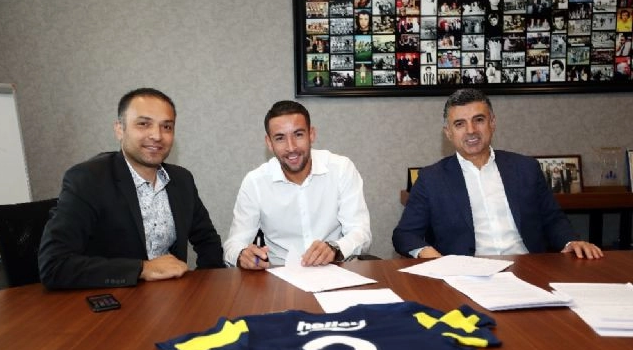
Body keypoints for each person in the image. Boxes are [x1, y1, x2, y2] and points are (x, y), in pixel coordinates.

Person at [39, 88, 224, 289]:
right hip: (116, 299)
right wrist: (142, 269)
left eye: (167, 127)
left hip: (171, 297)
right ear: (120, 129)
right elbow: (54, 265)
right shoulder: (88, 179)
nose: (157, 135)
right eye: (144, 124)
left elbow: (208, 242)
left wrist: (203, 288)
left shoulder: (182, 180)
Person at [392, 88, 603, 260]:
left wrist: (570, 241)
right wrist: (429, 254)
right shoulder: (431, 179)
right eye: (460, 124)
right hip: (466, 275)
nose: (471, 130)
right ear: (448, 133)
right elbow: (405, 234)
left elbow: (553, 219)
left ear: (492, 123)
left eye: (479, 120)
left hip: (528, 269)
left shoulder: (525, 168)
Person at [224, 100, 371, 269]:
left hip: (338, 270)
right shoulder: (255, 182)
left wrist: (335, 249)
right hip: (281, 276)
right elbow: (233, 245)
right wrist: (242, 255)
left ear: (311, 134)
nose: (291, 147)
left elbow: (361, 233)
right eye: (280, 138)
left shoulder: (341, 169)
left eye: (298, 134)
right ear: (269, 143)